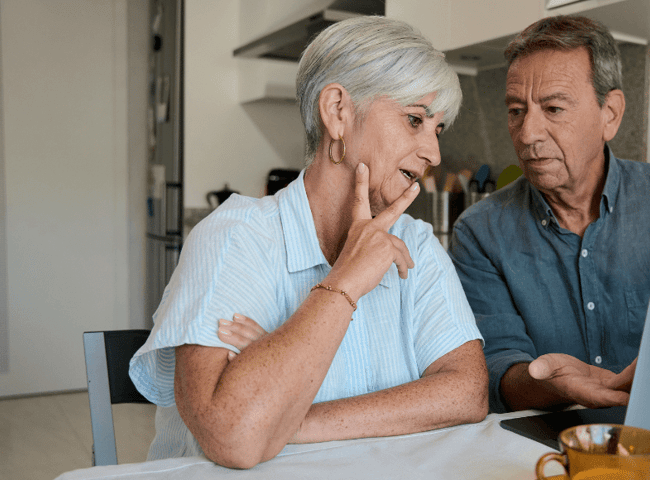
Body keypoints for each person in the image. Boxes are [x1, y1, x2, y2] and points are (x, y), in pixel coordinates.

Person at [130, 16, 487, 469]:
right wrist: (346, 282)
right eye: (414, 119)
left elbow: (467, 392)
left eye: (437, 130)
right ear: (338, 110)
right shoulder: (235, 237)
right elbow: (234, 437)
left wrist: (286, 419)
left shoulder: (416, 242)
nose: (434, 154)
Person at [447, 16, 650, 414]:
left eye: (553, 108)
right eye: (516, 110)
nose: (527, 133)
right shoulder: (479, 232)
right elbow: (496, 370)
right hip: (547, 440)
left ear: (611, 114)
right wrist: (555, 386)